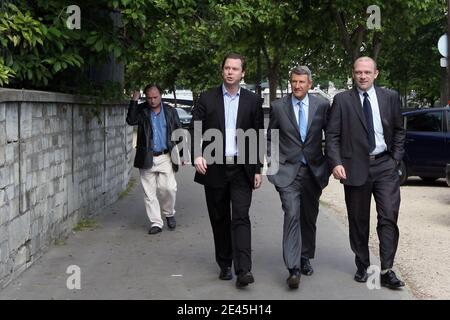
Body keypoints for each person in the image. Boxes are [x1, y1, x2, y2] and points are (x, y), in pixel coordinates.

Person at [326, 57, 406, 289]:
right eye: (359, 72)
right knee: (359, 221)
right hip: (354, 168)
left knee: (389, 216)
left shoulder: (390, 97)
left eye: (367, 72)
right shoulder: (342, 100)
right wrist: (336, 163)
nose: (363, 76)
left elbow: (400, 131)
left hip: (385, 166)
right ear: (353, 74)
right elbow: (332, 136)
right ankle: (363, 265)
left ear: (376, 74)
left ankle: (386, 270)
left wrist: (395, 160)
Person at [190, 53, 264, 288]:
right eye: (227, 68)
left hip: (242, 169)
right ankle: (224, 263)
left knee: (241, 217)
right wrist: (197, 154)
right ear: (222, 71)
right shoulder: (207, 98)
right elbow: (195, 128)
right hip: (214, 168)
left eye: (235, 68)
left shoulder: (253, 101)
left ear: (243, 73)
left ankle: (244, 270)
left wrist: (258, 168)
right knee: (220, 217)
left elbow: (258, 136)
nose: (230, 72)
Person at [266, 66, 330, 289]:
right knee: (292, 213)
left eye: (302, 82)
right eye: (294, 81)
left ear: (310, 84)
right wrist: (273, 167)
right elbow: (270, 138)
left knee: (308, 216)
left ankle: (305, 257)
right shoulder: (278, 107)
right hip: (287, 172)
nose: (297, 86)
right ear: (290, 82)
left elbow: (331, 136)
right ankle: (293, 268)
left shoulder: (322, 105)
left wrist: (329, 166)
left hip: (313, 171)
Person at [126, 84, 182, 235]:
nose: (152, 101)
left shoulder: (170, 111)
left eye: (155, 97)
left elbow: (179, 132)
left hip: (166, 156)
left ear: (161, 95)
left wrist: (182, 154)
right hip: (146, 156)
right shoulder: (142, 110)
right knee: (149, 193)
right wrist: (134, 100)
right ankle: (156, 222)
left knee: (169, 188)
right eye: (149, 98)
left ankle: (169, 213)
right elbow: (131, 120)